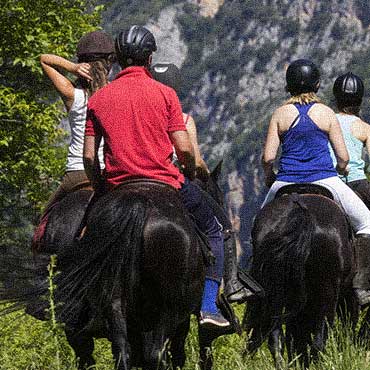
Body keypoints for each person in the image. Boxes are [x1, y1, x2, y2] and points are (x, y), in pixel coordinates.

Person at [83, 25, 230, 328]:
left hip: (117, 186)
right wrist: (187, 172)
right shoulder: (165, 94)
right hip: (165, 182)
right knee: (215, 231)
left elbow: (88, 156)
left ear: (119, 59)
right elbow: (185, 150)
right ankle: (208, 308)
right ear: (149, 59)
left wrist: (101, 187)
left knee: (83, 240)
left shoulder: (99, 98)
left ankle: (89, 309)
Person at [261, 59, 370, 306]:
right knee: (366, 223)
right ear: (318, 84)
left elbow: (268, 157)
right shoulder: (326, 113)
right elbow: (342, 157)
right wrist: (341, 170)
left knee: (261, 227)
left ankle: (251, 280)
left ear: (288, 86)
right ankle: (361, 285)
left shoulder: (280, 114)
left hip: (285, 181)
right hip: (325, 179)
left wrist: (271, 178)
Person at [150, 62, 255, 304]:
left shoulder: (139, 111)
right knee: (221, 228)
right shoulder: (184, 119)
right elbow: (193, 159)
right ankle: (228, 287)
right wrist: (203, 173)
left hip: (137, 177)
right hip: (173, 181)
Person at [331, 72, 370, 207]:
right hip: (355, 182)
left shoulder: (327, 121)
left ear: (336, 98)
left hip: (328, 180)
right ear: (360, 100)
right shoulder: (364, 127)